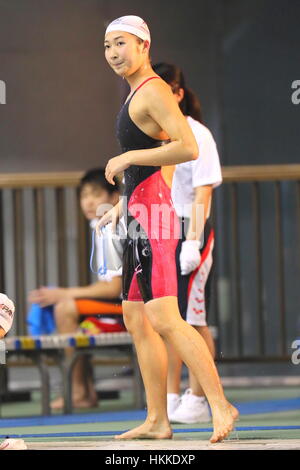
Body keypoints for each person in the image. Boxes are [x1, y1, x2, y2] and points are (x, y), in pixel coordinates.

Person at [99, 15, 238, 443]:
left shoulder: (155, 90)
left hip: (156, 218)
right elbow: (158, 161)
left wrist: (124, 161)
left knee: (165, 318)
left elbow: (187, 146)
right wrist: (122, 205)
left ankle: (220, 404)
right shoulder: (135, 95)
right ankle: (158, 418)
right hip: (140, 213)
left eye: (120, 44)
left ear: (144, 44)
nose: (113, 54)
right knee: (135, 318)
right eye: (107, 47)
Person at [153, 62, 222, 424]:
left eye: (166, 91)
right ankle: (171, 394)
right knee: (166, 319)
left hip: (189, 230)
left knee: (194, 317)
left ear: (178, 94)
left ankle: (199, 397)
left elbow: (202, 190)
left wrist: (192, 240)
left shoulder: (197, 134)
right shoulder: (153, 137)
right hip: (161, 230)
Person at [28, 168, 124, 409]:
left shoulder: (112, 229)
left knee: (65, 308)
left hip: (132, 310)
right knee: (66, 307)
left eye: (95, 194)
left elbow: (114, 288)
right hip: (120, 307)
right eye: (83, 195)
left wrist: (65, 294)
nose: (88, 202)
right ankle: (85, 391)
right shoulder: (101, 227)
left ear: (114, 197)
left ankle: (79, 391)